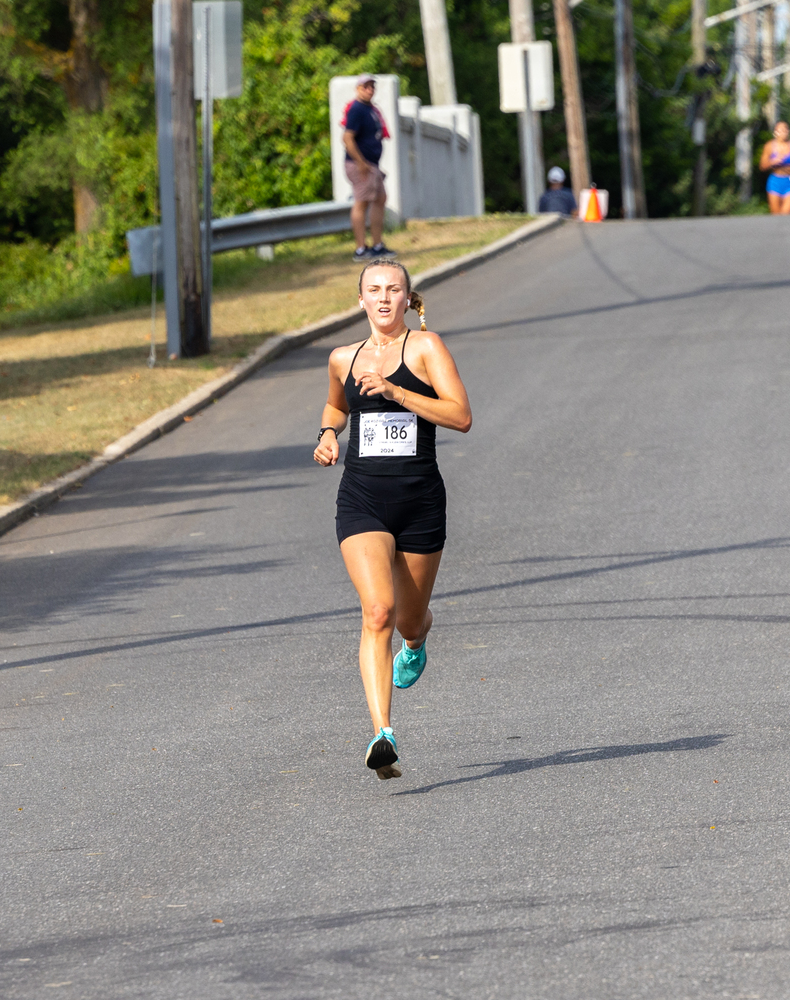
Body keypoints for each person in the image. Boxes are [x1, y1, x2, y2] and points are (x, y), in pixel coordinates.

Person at [313, 259, 471, 780]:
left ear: (408, 298)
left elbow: (461, 416)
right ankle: (383, 733)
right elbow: (336, 407)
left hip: (420, 502)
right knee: (377, 611)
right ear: (360, 300)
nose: (384, 298)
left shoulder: (425, 348)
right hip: (362, 500)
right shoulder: (342, 358)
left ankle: (419, 638)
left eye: (394, 290)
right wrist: (329, 435)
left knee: (407, 618)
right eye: (374, 290)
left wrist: (398, 391)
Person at [341, 74, 395, 261]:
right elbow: (347, 138)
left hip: (372, 165)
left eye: (372, 86)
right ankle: (360, 249)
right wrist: (361, 162)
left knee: (380, 198)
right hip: (361, 165)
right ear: (358, 89)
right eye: (366, 86)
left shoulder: (370, 109)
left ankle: (378, 245)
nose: (370, 90)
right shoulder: (357, 109)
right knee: (362, 202)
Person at [760, 121, 790, 215]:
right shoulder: (769, 146)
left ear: (789, 131)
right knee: (776, 215)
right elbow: (762, 166)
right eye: (780, 130)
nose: (783, 132)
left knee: (786, 214)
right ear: (775, 133)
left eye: (785, 130)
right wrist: (773, 162)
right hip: (775, 181)